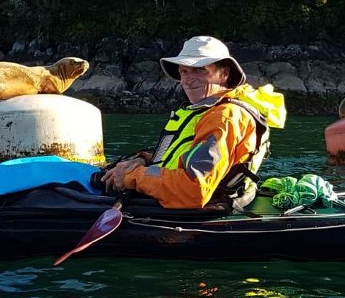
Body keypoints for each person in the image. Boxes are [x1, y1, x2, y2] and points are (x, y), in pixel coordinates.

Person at [100, 36, 285, 208]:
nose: (188, 80)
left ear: (224, 74)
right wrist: (141, 160)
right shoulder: (206, 112)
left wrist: (132, 176)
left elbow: (194, 189)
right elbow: (174, 157)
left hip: (194, 211)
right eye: (184, 71)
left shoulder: (224, 117)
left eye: (199, 70)